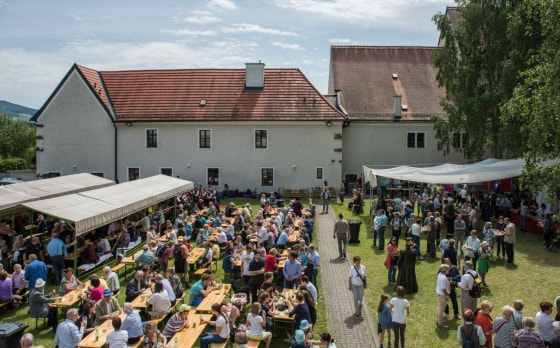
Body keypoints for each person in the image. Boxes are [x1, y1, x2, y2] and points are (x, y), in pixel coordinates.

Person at [436, 264, 451, 329]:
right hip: (443, 295)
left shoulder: (440, 274)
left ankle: (439, 320)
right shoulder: (443, 278)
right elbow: (443, 288)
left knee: (440, 307)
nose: (449, 270)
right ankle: (440, 323)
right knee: (441, 309)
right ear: (445, 270)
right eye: (448, 269)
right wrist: (447, 294)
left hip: (439, 294)